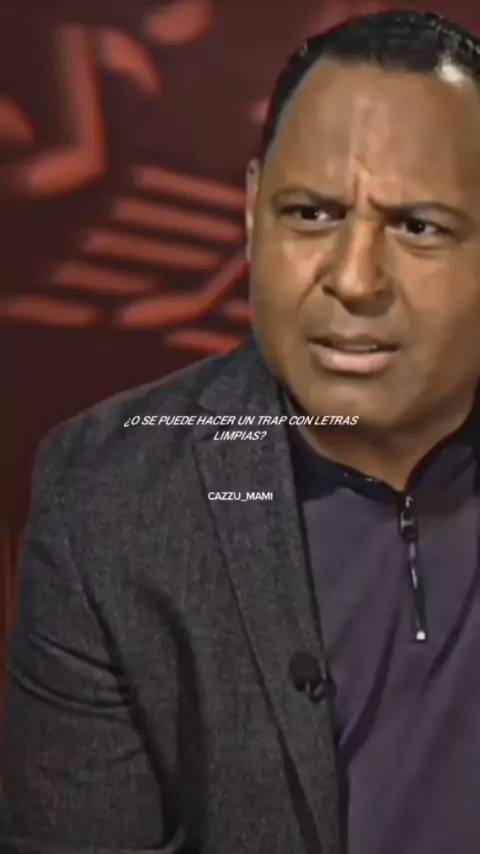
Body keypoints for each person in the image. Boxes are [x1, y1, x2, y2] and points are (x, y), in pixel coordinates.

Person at [3, 8, 480, 853]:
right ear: (254, 211)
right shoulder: (107, 499)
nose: (354, 279)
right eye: (312, 214)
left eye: (418, 226)